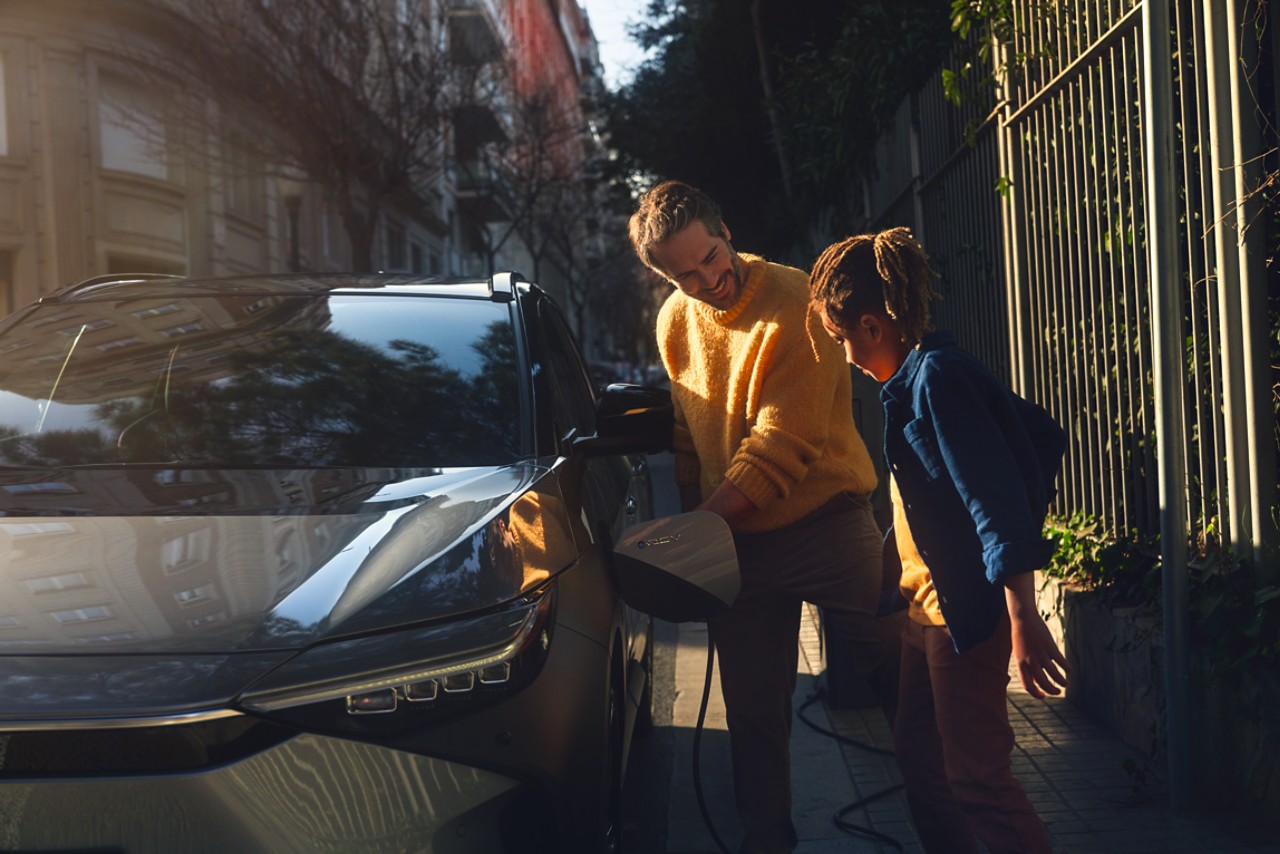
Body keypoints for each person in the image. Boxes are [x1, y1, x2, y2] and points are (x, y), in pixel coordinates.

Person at [628, 180, 902, 854]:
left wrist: (697, 527)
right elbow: (687, 432)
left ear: (724, 228)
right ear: (663, 274)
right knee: (752, 717)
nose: (709, 278)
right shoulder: (673, 323)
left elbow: (784, 442)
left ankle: (951, 811)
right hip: (737, 540)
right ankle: (766, 843)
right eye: (686, 273)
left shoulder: (797, 299)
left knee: (902, 667)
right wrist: (699, 521)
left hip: (829, 521)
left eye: (712, 255)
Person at [808, 227, 1071, 854]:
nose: (845, 356)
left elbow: (995, 498)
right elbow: (1037, 434)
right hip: (922, 616)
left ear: (873, 327)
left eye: (843, 339)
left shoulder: (939, 381)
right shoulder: (911, 385)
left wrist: (1022, 614)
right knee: (923, 766)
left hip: (964, 620)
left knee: (977, 778)